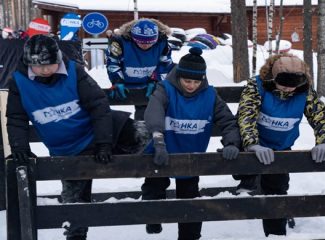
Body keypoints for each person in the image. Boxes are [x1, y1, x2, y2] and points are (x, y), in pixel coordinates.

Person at [6, 34, 150, 240]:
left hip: (101, 132)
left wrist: (104, 143)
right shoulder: (19, 82)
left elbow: (98, 105)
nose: (45, 70)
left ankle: (158, 195)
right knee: (74, 204)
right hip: (68, 149)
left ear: (57, 59)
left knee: (149, 137)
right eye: (39, 66)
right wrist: (19, 148)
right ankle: (76, 236)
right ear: (29, 64)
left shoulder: (74, 71)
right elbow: (16, 118)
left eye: (49, 65)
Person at [142, 47, 241, 240]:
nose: (191, 85)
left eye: (196, 81)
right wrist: (158, 139)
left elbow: (228, 122)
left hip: (191, 156)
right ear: (179, 77)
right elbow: (154, 111)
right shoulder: (165, 89)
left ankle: (190, 236)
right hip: (162, 151)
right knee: (154, 186)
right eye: (187, 81)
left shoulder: (210, 95)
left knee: (189, 200)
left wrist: (232, 143)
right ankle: (153, 216)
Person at [236, 53, 325, 237]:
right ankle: (247, 180)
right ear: (273, 78)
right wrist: (252, 144)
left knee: (277, 190)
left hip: (281, 148)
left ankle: (276, 234)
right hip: (253, 146)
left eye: (292, 86)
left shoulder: (304, 91)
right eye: (284, 85)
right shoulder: (257, 86)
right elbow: (246, 114)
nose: (288, 90)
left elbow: (320, 117)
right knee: (244, 169)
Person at [106, 18, 174, 120]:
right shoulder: (119, 43)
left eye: (149, 42)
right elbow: (113, 63)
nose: (145, 45)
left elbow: (164, 65)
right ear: (133, 38)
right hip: (126, 84)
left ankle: (144, 130)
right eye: (141, 42)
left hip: (149, 84)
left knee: (149, 112)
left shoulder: (162, 44)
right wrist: (117, 80)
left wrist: (156, 80)